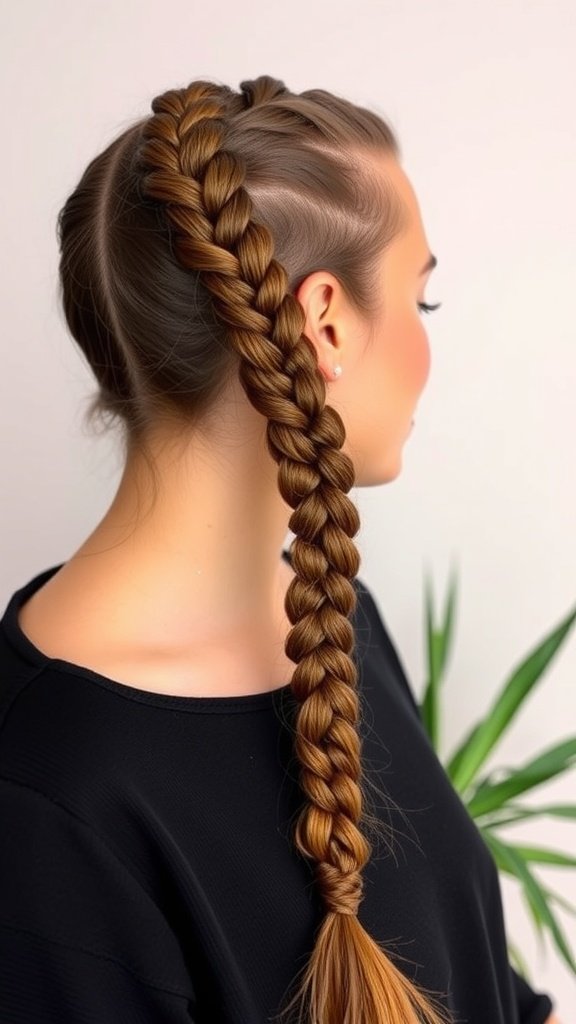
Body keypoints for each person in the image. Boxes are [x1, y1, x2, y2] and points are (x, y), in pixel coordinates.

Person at [0, 75, 559, 1024]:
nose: (428, 347)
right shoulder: (44, 793)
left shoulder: (336, 625)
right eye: (422, 303)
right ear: (327, 321)